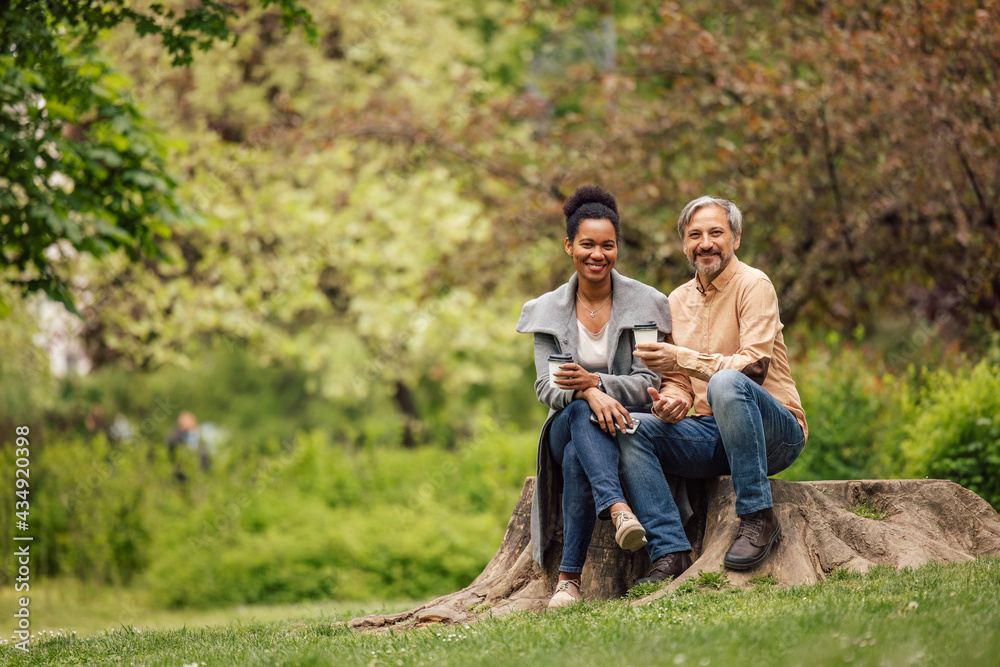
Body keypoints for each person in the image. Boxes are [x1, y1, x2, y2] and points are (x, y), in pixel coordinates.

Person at [619, 195, 808, 583]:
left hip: (775, 432)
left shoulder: (754, 285)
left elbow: (753, 368)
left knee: (727, 381)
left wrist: (681, 357)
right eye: (695, 235)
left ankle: (757, 517)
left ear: (735, 238)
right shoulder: (675, 300)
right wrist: (672, 401)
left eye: (715, 233)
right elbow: (678, 381)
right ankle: (670, 552)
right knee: (630, 428)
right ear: (685, 245)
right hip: (712, 434)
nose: (705, 243)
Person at [516, 185, 672, 608]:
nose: (597, 254)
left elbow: (646, 382)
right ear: (569, 246)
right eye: (587, 244)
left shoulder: (645, 304)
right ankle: (617, 506)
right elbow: (547, 388)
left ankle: (569, 580)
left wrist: (595, 385)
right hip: (564, 425)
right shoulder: (547, 311)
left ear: (617, 247)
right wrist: (588, 395)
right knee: (581, 423)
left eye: (607, 245)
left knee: (576, 459)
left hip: (626, 424)